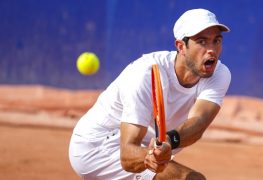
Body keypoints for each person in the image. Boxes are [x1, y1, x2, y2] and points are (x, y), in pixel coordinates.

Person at [69, 8, 231, 180]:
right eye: (202, 42)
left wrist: (169, 140)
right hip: (97, 147)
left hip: (148, 145)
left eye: (216, 41)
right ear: (181, 46)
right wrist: (151, 156)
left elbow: (199, 123)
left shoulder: (219, 73)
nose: (212, 49)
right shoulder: (146, 73)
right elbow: (127, 156)